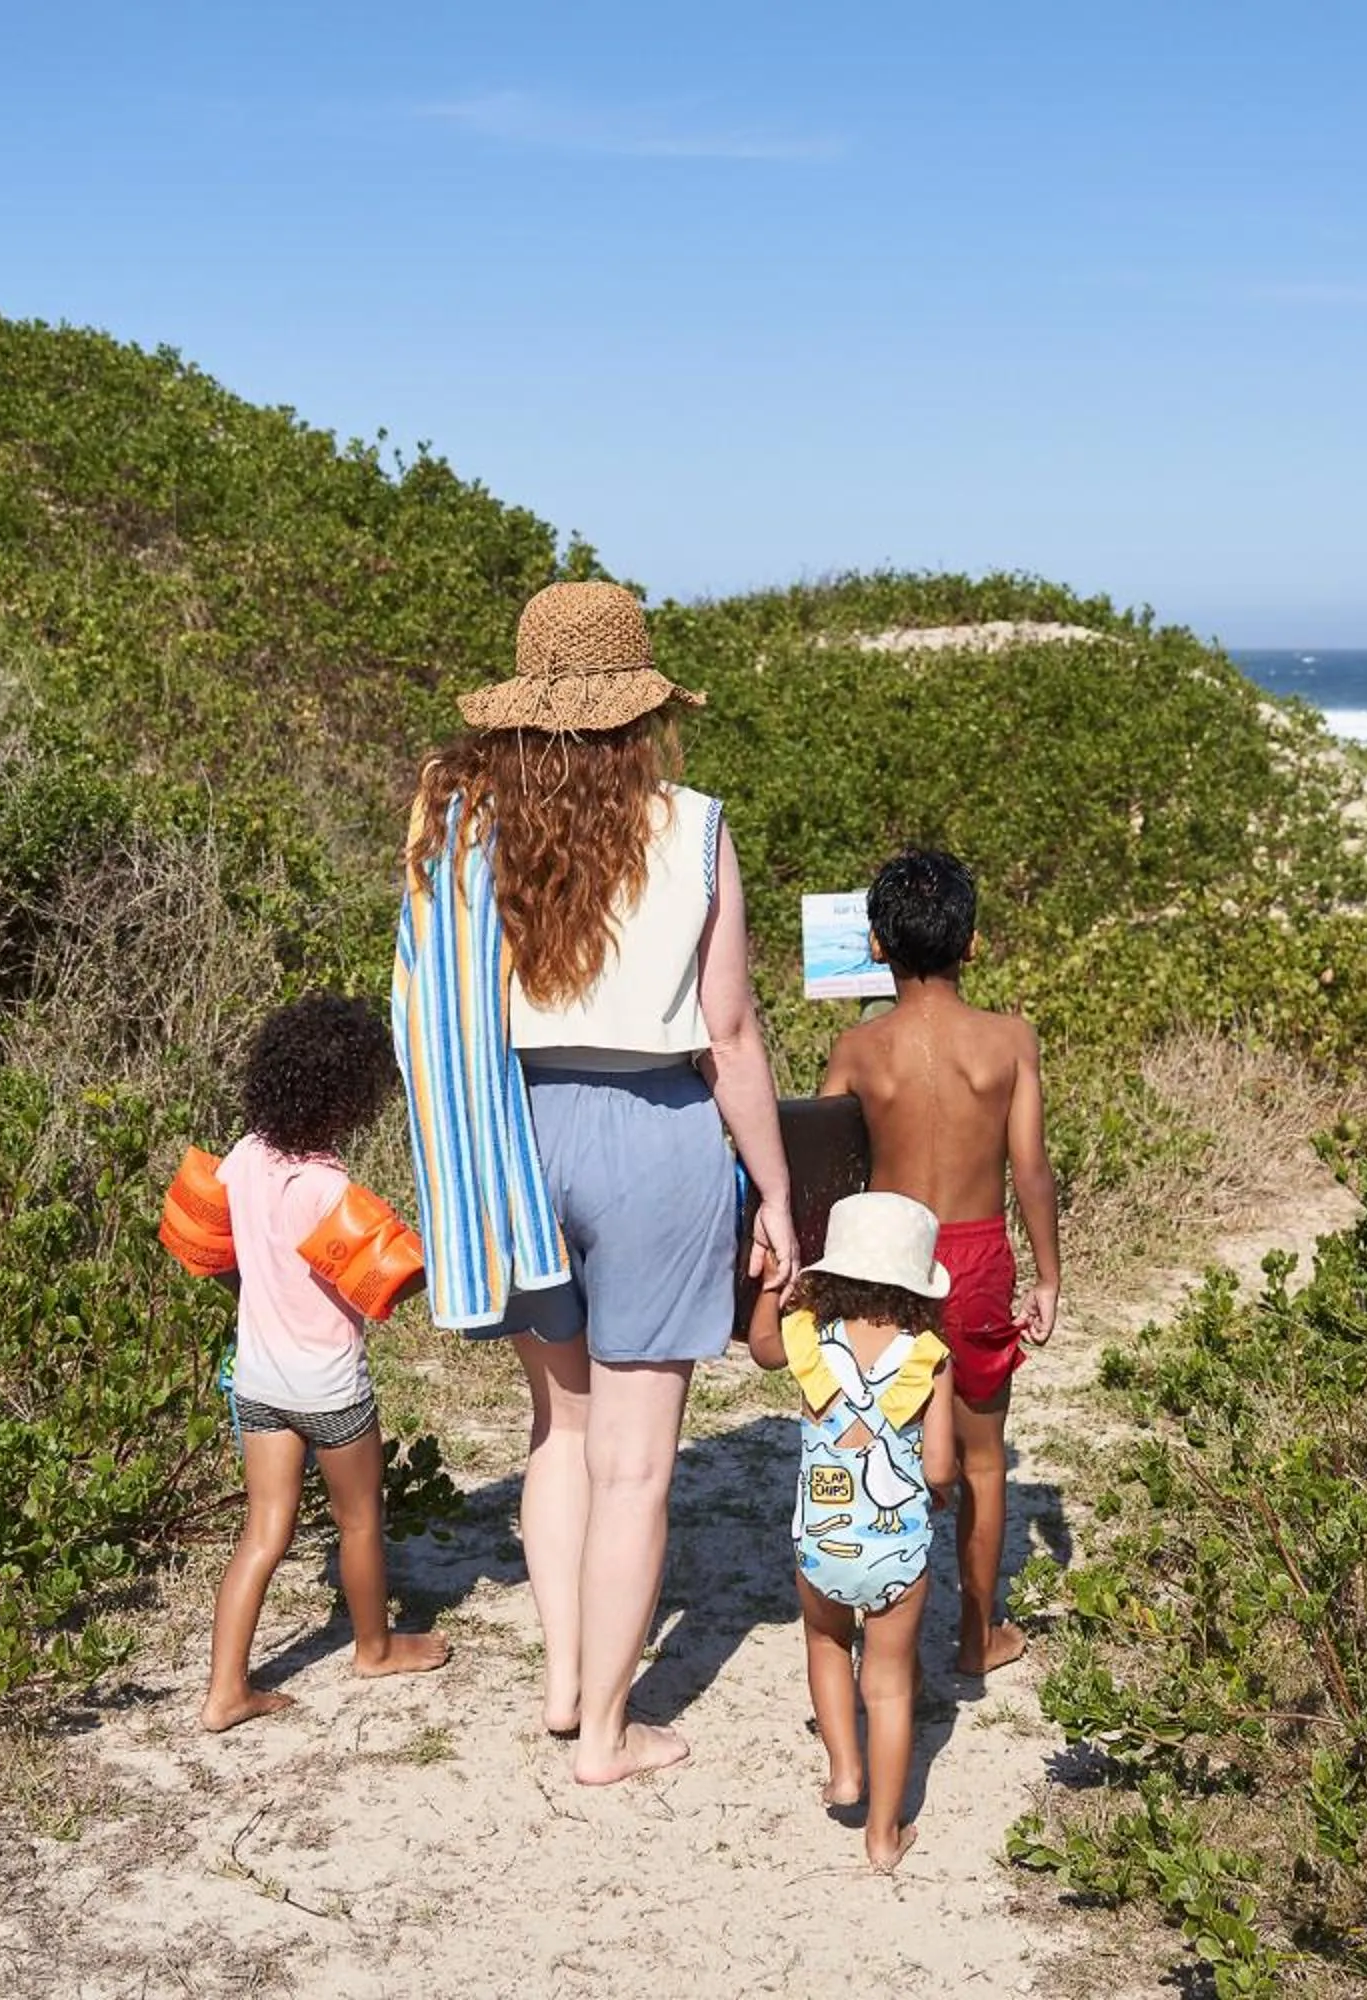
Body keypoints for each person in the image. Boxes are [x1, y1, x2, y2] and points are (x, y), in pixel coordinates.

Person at [394, 580, 796, 1786]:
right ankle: (613, 1735)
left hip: (512, 1129)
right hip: (656, 1133)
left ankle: (566, 1682)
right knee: (636, 1459)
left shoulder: (458, 825)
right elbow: (728, 1032)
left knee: (557, 1428)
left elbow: (424, 997)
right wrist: (774, 1191)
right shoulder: (695, 824)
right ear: (642, 710)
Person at [157, 995, 451, 1734]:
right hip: (327, 1386)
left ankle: (226, 1690)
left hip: (256, 1377)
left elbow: (221, 1258)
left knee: (264, 1531)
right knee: (359, 1522)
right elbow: (396, 1281)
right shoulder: (326, 1188)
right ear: (349, 1097)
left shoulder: (245, 1158)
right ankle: (375, 1648)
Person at [818, 848, 1057, 1682]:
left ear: (876, 947)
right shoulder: (1010, 1040)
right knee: (984, 1460)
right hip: (977, 1254)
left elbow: (827, 1174)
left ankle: (875, 1633)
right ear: (975, 944)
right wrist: (1049, 1275)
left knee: (872, 1443)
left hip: (882, 1262)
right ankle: (975, 1635)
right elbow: (1030, 1167)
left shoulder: (856, 1048)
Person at [746, 1191, 958, 1872]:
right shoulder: (929, 1357)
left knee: (827, 1641)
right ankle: (883, 1837)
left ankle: (843, 1770)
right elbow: (939, 1463)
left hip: (822, 1543)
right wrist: (944, 1492)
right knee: (890, 1684)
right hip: (896, 1550)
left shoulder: (809, 1335)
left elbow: (759, 1347)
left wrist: (775, 1287)